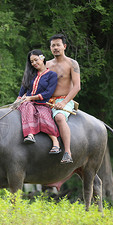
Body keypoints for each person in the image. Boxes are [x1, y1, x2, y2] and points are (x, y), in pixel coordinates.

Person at [16, 49, 62, 154]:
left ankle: (56, 143)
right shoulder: (30, 74)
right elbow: (22, 92)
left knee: (43, 115)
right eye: (32, 62)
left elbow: (48, 93)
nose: (34, 63)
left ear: (42, 58)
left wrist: (31, 98)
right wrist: (16, 102)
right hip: (28, 103)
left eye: (36, 60)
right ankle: (30, 135)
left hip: (43, 104)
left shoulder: (52, 75)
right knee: (27, 105)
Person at [46, 34, 81, 164]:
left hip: (64, 100)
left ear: (64, 46)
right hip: (48, 101)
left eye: (58, 45)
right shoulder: (47, 64)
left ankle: (67, 152)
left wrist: (64, 102)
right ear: (50, 48)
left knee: (59, 117)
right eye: (53, 45)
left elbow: (77, 87)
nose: (56, 48)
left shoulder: (72, 63)